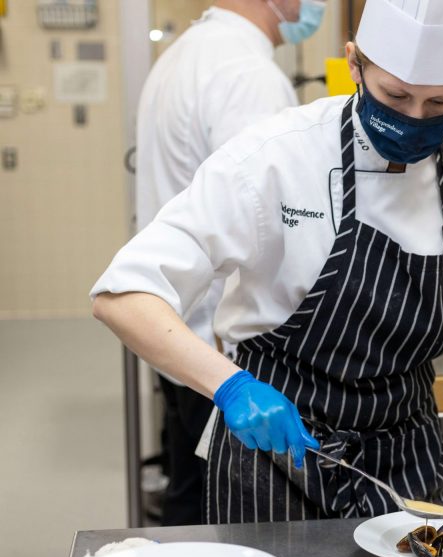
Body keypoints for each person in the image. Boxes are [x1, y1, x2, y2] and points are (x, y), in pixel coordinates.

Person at [92, 0, 443, 523]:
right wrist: (230, 386)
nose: (414, 118)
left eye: (439, 102)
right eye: (395, 95)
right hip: (276, 449)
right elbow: (123, 294)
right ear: (355, 63)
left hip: (408, 452)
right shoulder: (274, 158)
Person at [134, 0, 325, 525]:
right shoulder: (248, 75)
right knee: (216, 509)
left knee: (187, 492)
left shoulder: (188, 53)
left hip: (180, 331)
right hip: (221, 353)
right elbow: (266, 220)